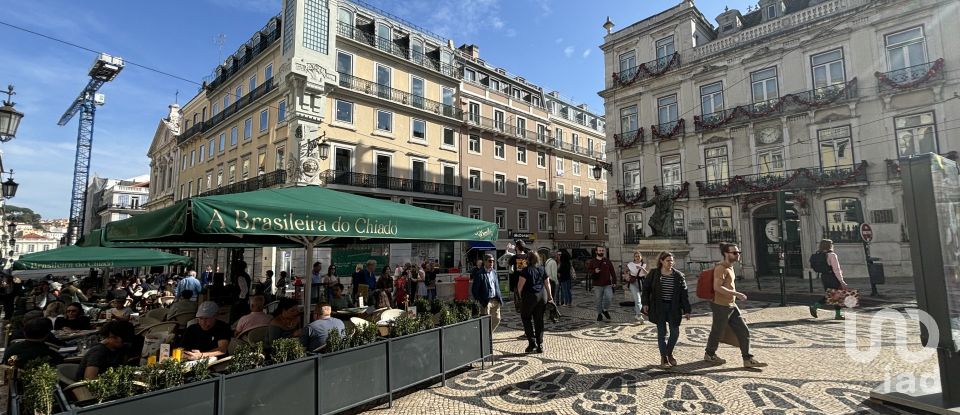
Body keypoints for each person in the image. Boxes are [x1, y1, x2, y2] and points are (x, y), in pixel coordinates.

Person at [704, 243, 767, 368]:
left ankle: (747, 358)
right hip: (720, 305)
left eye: (738, 252)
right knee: (717, 331)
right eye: (734, 253)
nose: (737, 255)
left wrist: (734, 296)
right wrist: (736, 293)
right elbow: (717, 287)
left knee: (743, 330)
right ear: (726, 254)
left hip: (731, 305)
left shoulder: (730, 267)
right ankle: (710, 354)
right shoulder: (721, 268)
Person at [642, 251, 691, 369]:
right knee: (662, 333)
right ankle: (663, 358)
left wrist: (687, 310)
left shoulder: (678, 276)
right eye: (668, 260)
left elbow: (684, 295)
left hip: (673, 307)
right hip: (659, 307)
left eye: (672, 260)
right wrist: (645, 303)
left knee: (675, 333)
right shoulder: (654, 274)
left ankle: (669, 353)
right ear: (661, 261)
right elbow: (646, 289)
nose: (670, 263)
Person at [517, 251, 552, 353]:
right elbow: (547, 283)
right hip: (542, 296)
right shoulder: (541, 268)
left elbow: (520, 286)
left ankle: (532, 343)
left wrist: (520, 297)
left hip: (530, 297)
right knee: (539, 320)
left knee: (526, 317)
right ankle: (540, 344)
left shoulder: (525, 270)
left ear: (527, 259)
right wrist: (550, 296)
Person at [809, 238, 849, 320]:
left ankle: (816, 307)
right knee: (836, 295)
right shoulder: (832, 255)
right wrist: (842, 281)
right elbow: (836, 269)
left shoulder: (820, 254)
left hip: (824, 277)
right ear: (830, 246)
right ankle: (816, 307)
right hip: (832, 277)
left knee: (833, 295)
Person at [471, 253, 503, 332]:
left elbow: (496, 285)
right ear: (484, 262)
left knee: (497, 319)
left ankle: (488, 334)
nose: (491, 263)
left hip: (495, 299)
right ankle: (486, 337)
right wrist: (481, 301)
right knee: (486, 321)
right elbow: (474, 290)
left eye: (493, 261)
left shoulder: (494, 272)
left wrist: (499, 297)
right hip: (486, 301)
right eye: (489, 261)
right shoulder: (479, 274)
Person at [586, 246, 617, 322]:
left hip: (607, 284)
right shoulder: (592, 261)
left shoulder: (607, 261)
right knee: (598, 300)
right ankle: (599, 314)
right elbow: (589, 271)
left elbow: (612, 272)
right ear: (596, 252)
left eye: (602, 250)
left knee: (609, 297)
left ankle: (605, 309)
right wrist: (594, 271)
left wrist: (614, 282)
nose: (601, 252)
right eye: (600, 250)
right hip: (597, 284)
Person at [624, 250, 648, 322]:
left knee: (640, 298)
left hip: (642, 281)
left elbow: (647, 273)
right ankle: (639, 315)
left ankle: (637, 311)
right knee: (637, 298)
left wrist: (642, 268)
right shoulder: (630, 264)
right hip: (633, 282)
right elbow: (625, 271)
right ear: (634, 257)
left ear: (641, 257)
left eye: (639, 256)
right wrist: (627, 276)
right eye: (636, 256)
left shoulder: (644, 264)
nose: (637, 257)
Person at [508, 240, 530, 313]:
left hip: (517, 281)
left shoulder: (515, 257)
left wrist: (507, 251)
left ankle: (520, 309)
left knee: (518, 298)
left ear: (517, 247)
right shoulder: (527, 256)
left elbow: (507, 266)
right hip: (527, 281)